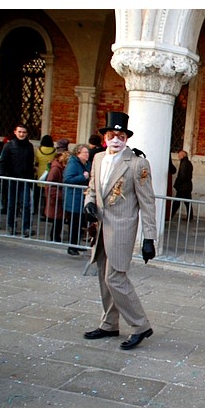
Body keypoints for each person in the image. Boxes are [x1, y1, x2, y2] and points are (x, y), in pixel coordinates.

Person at [82, 111, 157, 350]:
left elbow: (147, 203)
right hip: (101, 227)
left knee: (115, 278)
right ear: (105, 137)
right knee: (104, 278)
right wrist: (89, 204)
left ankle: (140, 325)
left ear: (126, 138)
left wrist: (149, 238)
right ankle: (109, 323)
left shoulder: (137, 163)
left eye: (121, 135)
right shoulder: (97, 159)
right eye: (112, 135)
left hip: (122, 230)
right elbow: (92, 188)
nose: (117, 139)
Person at [0, 123, 35, 237]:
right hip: (12, 179)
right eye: (19, 132)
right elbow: (3, 162)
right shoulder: (9, 146)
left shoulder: (29, 146)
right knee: (11, 204)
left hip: (25, 180)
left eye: (24, 132)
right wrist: (4, 177)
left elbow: (30, 163)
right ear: (15, 132)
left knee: (25, 204)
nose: (21, 134)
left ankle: (26, 228)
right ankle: (10, 226)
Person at [63, 143, 91, 255]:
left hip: (83, 197)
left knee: (80, 223)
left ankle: (77, 244)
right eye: (85, 152)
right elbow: (67, 179)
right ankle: (71, 246)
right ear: (78, 153)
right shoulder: (73, 164)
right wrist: (82, 177)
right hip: (74, 198)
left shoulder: (87, 164)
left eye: (88, 152)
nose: (87, 154)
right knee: (74, 223)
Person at [44, 140, 71, 242]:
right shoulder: (56, 169)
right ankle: (54, 237)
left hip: (59, 197)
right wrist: (61, 195)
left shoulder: (59, 167)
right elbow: (50, 185)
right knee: (57, 220)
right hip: (56, 198)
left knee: (59, 220)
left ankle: (56, 236)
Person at [34, 135, 57, 216]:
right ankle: (45, 211)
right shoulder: (54, 151)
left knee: (37, 194)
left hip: (40, 173)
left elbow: (36, 161)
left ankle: (34, 208)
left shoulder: (38, 150)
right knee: (47, 195)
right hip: (49, 173)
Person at [170, 150, 193, 220]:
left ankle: (170, 216)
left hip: (183, 187)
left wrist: (177, 184)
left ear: (183, 155)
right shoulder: (187, 163)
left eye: (179, 155)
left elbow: (182, 176)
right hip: (187, 186)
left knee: (176, 202)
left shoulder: (184, 163)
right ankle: (190, 217)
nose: (178, 156)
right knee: (187, 203)